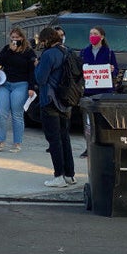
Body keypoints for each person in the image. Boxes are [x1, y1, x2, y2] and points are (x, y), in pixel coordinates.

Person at [34, 27, 76, 188]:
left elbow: (41, 78)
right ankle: (70, 175)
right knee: (65, 138)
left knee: (54, 140)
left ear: (46, 40)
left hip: (50, 100)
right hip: (66, 101)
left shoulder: (49, 54)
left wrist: (37, 65)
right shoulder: (68, 51)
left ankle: (58, 176)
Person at [77, 25, 119, 158]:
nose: (92, 36)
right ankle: (89, 147)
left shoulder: (109, 52)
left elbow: (116, 71)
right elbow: (79, 70)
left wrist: (112, 70)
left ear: (101, 36)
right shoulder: (84, 52)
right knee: (89, 122)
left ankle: (104, 146)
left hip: (104, 91)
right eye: (90, 34)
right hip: (89, 91)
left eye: (95, 33)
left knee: (103, 121)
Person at [0, 28, 36, 153]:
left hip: (21, 84)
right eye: (12, 37)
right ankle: (0, 141)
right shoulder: (7, 49)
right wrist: (10, 51)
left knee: (17, 114)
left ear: (22, 38)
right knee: (0, 113)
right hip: (5, 84)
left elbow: (31, 71)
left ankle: (17, 143)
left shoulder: (28, 52)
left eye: (17, 37)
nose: (14, 40)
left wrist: (31, 87)